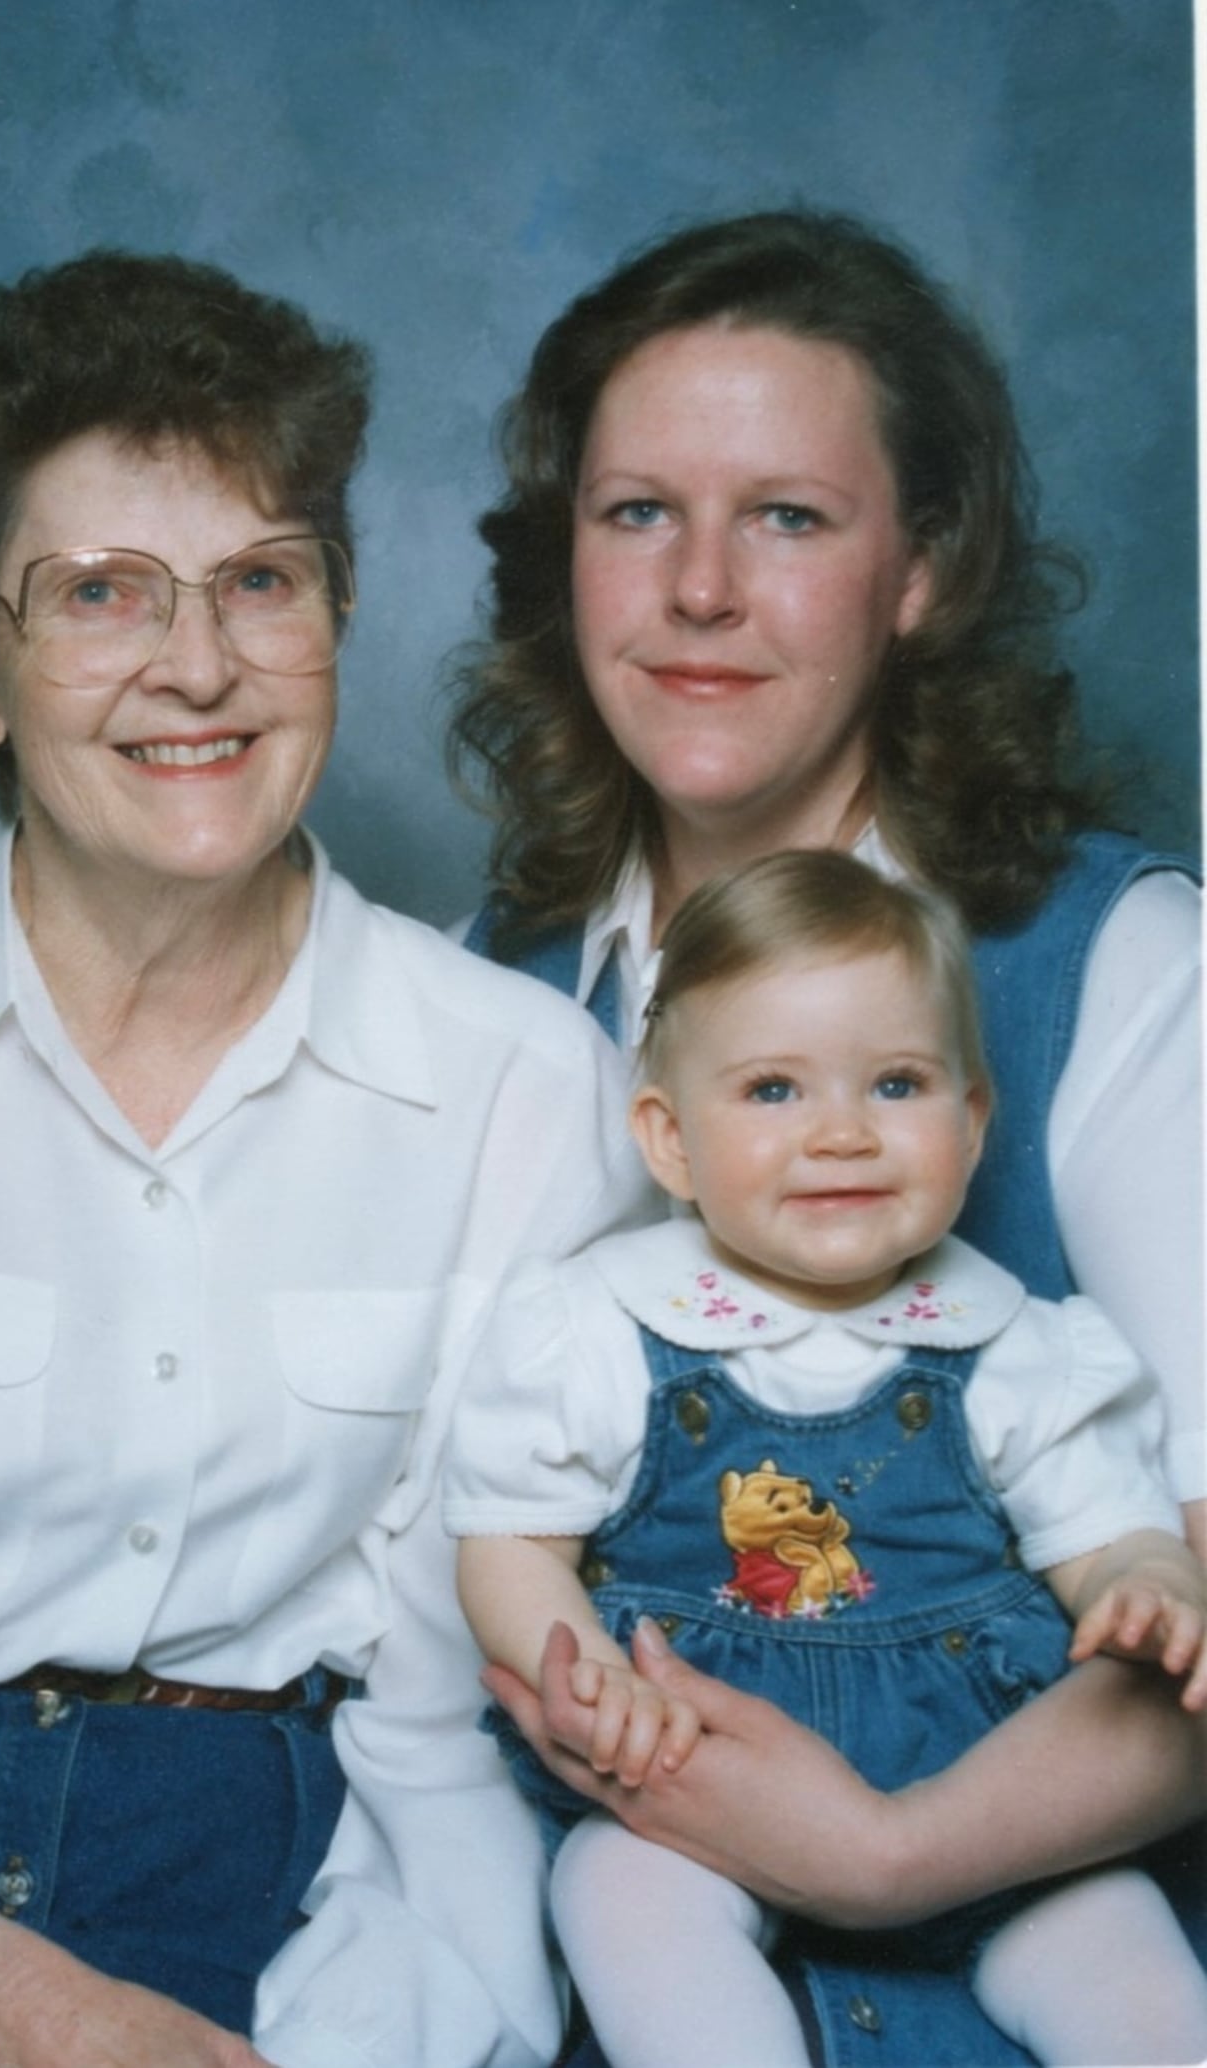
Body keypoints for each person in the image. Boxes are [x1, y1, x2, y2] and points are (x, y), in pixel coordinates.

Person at [0, 251, 651, 2068]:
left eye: (263, 580)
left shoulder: (520, 1089)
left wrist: (372, 2038)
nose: (198, 663)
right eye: (100, 591)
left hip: (285, 1878)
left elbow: (448, 1717)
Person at [449, 208, 1205, 2065]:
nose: (701, 587)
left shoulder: (1117, 965)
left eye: (788, 516)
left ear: (921, 572)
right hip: (571, 1946)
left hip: (1014, 1948)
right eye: (638, 512)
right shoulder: (491, 984)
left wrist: (886, 1851)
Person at [448, 849, 1207, 2068]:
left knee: (1140, 1979)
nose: (842, 1133)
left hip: (982, 1794)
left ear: (969, 1124)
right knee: (620, 1901)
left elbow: (1107, 1532)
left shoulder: (1014, 1344)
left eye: (896, 1083)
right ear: (670, 1138)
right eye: (772, 1092)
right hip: (692, 1788)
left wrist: (1152, 1590)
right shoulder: (597, 1325)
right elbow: (507, 1544)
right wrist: (594, 1677)